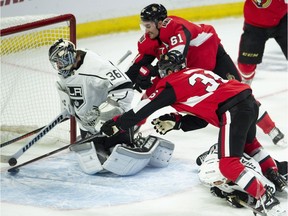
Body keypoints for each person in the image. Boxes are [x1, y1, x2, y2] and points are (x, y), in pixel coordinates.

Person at [101, 50, 287, 215]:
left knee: (228, 165)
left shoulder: (170, 83)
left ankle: (265, 199)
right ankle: (275, 177)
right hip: (248, 102)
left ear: (169, 70)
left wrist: (116, 124)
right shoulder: (197, 72)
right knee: (251, 145)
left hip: (233, 109)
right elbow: (202, 118)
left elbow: (143, 110)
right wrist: (177, 122)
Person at [125, 3, 285, 145]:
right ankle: (131, 128)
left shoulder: (174, 27)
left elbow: (176, 53)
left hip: (215, 57)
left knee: (241, 93)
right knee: (151, 93)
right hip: (193, 67)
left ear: (160, 23)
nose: (145, 31)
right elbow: (136, 67)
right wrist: (127, 80)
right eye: (143, 26)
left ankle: (270, 128)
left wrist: (151, 71)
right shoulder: (150, 40)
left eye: (148, 26)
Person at [48, 39, 175, 176]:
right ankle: (105, 141)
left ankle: (133, 142)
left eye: (61, 61)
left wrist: (102, 114)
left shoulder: (94, 65)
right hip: (87, 125)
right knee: (96, 161)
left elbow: (125, 88)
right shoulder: (68, 70)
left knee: (116, 153)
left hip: (109, 121)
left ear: (70, 56)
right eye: (56, 63)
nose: (59, 66)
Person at [197, 143, 288, 211]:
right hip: (228, 156)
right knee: (199, 161)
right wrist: (237, 197)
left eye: (217, 182)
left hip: (258, 165)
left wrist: (247, 198)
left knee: (280, 173)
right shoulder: (220, 174)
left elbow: (269, 189)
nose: (215, 184)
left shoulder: (248, 172)